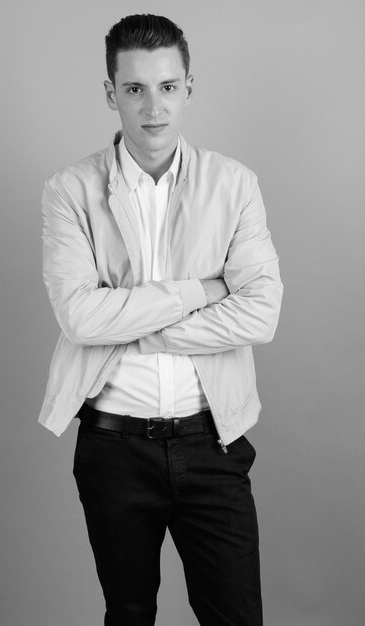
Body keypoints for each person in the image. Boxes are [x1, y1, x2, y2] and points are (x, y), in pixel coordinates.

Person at [38, 13, 283, 626]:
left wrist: (132, 323)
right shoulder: (69, 190)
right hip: (113, 446)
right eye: (135, 89)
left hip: (212, 442)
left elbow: (262, 312)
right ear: (110, 93)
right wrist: (202, 289)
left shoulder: (234, 184)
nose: (154, 107)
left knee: (235, 616)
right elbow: (79, 317)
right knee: (127, 613)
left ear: (189, 88)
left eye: (168, 87)